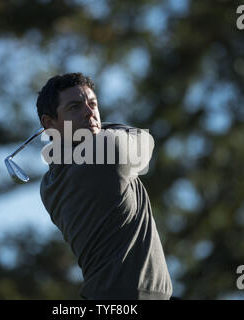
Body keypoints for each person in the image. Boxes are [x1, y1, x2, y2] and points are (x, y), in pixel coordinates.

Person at [36, 72, 172, 300]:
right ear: (49, 123)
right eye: (74, 107)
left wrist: (62, 132)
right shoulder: (107, 149)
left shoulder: (48, 186)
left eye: (92, 104)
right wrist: (96, 127)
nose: (89, 112)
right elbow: (143, 139)